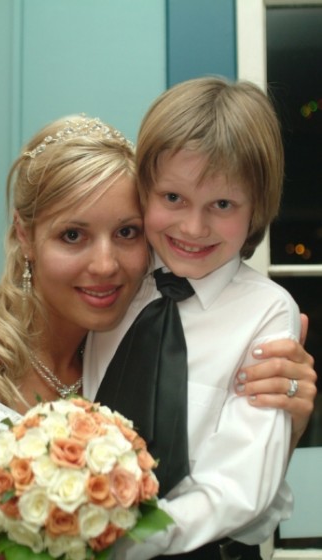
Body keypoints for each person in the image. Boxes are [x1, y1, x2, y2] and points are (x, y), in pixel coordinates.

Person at [0, 112, 316, 560]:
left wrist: (287, 427)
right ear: (25, 236)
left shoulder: (128, 345)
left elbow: (240, 510)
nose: (106, 264)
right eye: (72, 235)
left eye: (126, 232)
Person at [83, 77, 317, 559]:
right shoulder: (116, 282)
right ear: (143, 190)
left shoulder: (267, 313)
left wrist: (118, 544)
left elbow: (238, 484)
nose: (193, 227)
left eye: (223, 205)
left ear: (256, 211)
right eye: (172, 198)